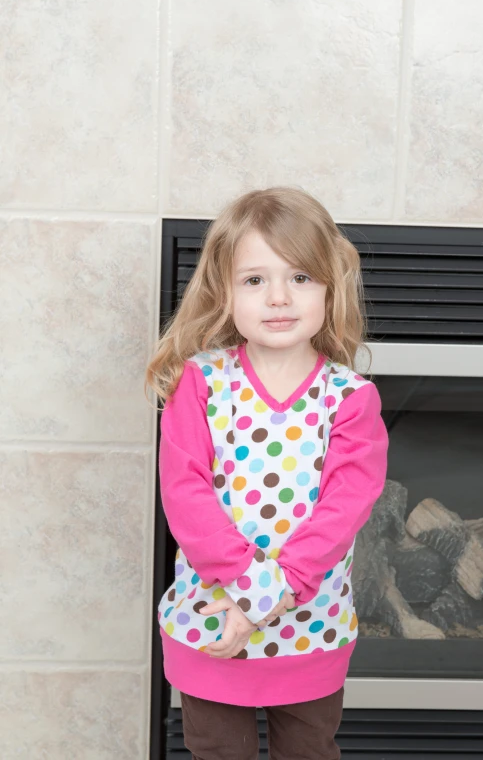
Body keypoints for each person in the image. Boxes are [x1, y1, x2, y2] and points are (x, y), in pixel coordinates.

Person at [145, 186, 388, 760]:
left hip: (310, 628)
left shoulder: (351, 399)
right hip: (212, 624)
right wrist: (251, 589)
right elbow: (186, 496)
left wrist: (265, 597)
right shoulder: (199, 384)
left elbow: (343, 510)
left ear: (330, 288)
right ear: (224, 292)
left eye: (300, 277)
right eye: (255, 280)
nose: (279, 297)